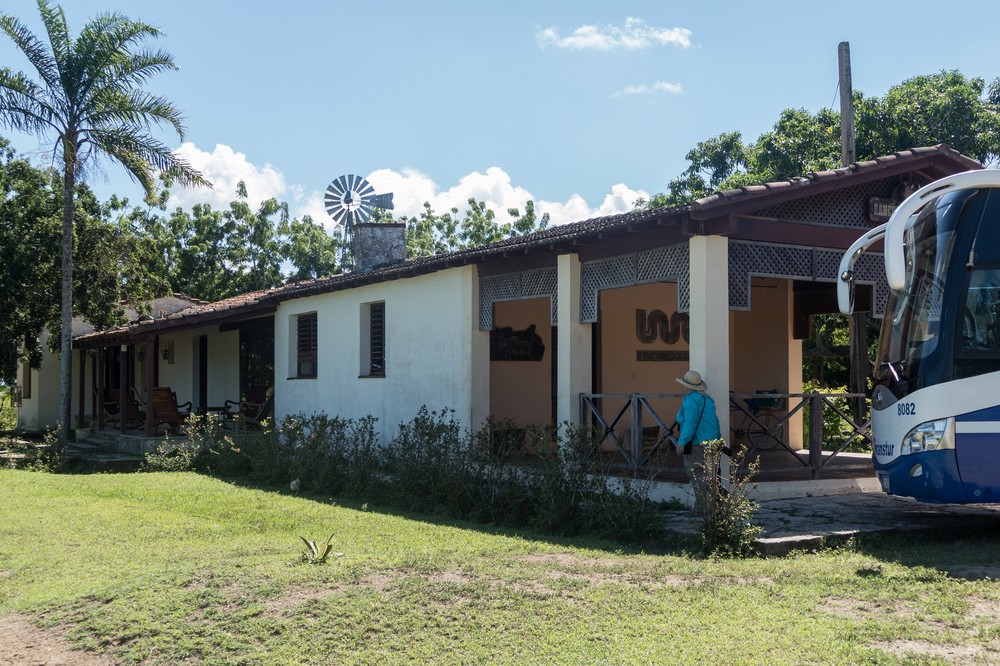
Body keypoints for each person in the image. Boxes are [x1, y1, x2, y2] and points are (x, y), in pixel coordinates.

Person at [673, 370, 721, 513]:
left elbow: (689, 423)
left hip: (698, 442)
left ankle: (701, 506)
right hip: (713, 441)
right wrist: (718, 439)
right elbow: (716, 422)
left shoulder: (690, 400)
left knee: (695, 472)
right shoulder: (708, 399)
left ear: (687, 385)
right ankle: (717, 502)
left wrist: (681, 442)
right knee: (711, 473)